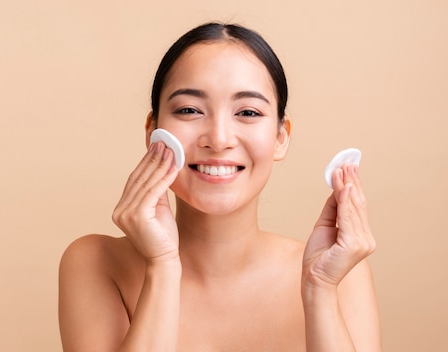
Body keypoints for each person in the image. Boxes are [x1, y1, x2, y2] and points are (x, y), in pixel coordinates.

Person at [58, 22, 381, 351]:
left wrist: (320, 289)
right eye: (189, 110)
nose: (219, 139)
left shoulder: (341, 273)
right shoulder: (95, 262)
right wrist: (162, 267)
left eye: (248, 112)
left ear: (281, 137)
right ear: (152, 130)